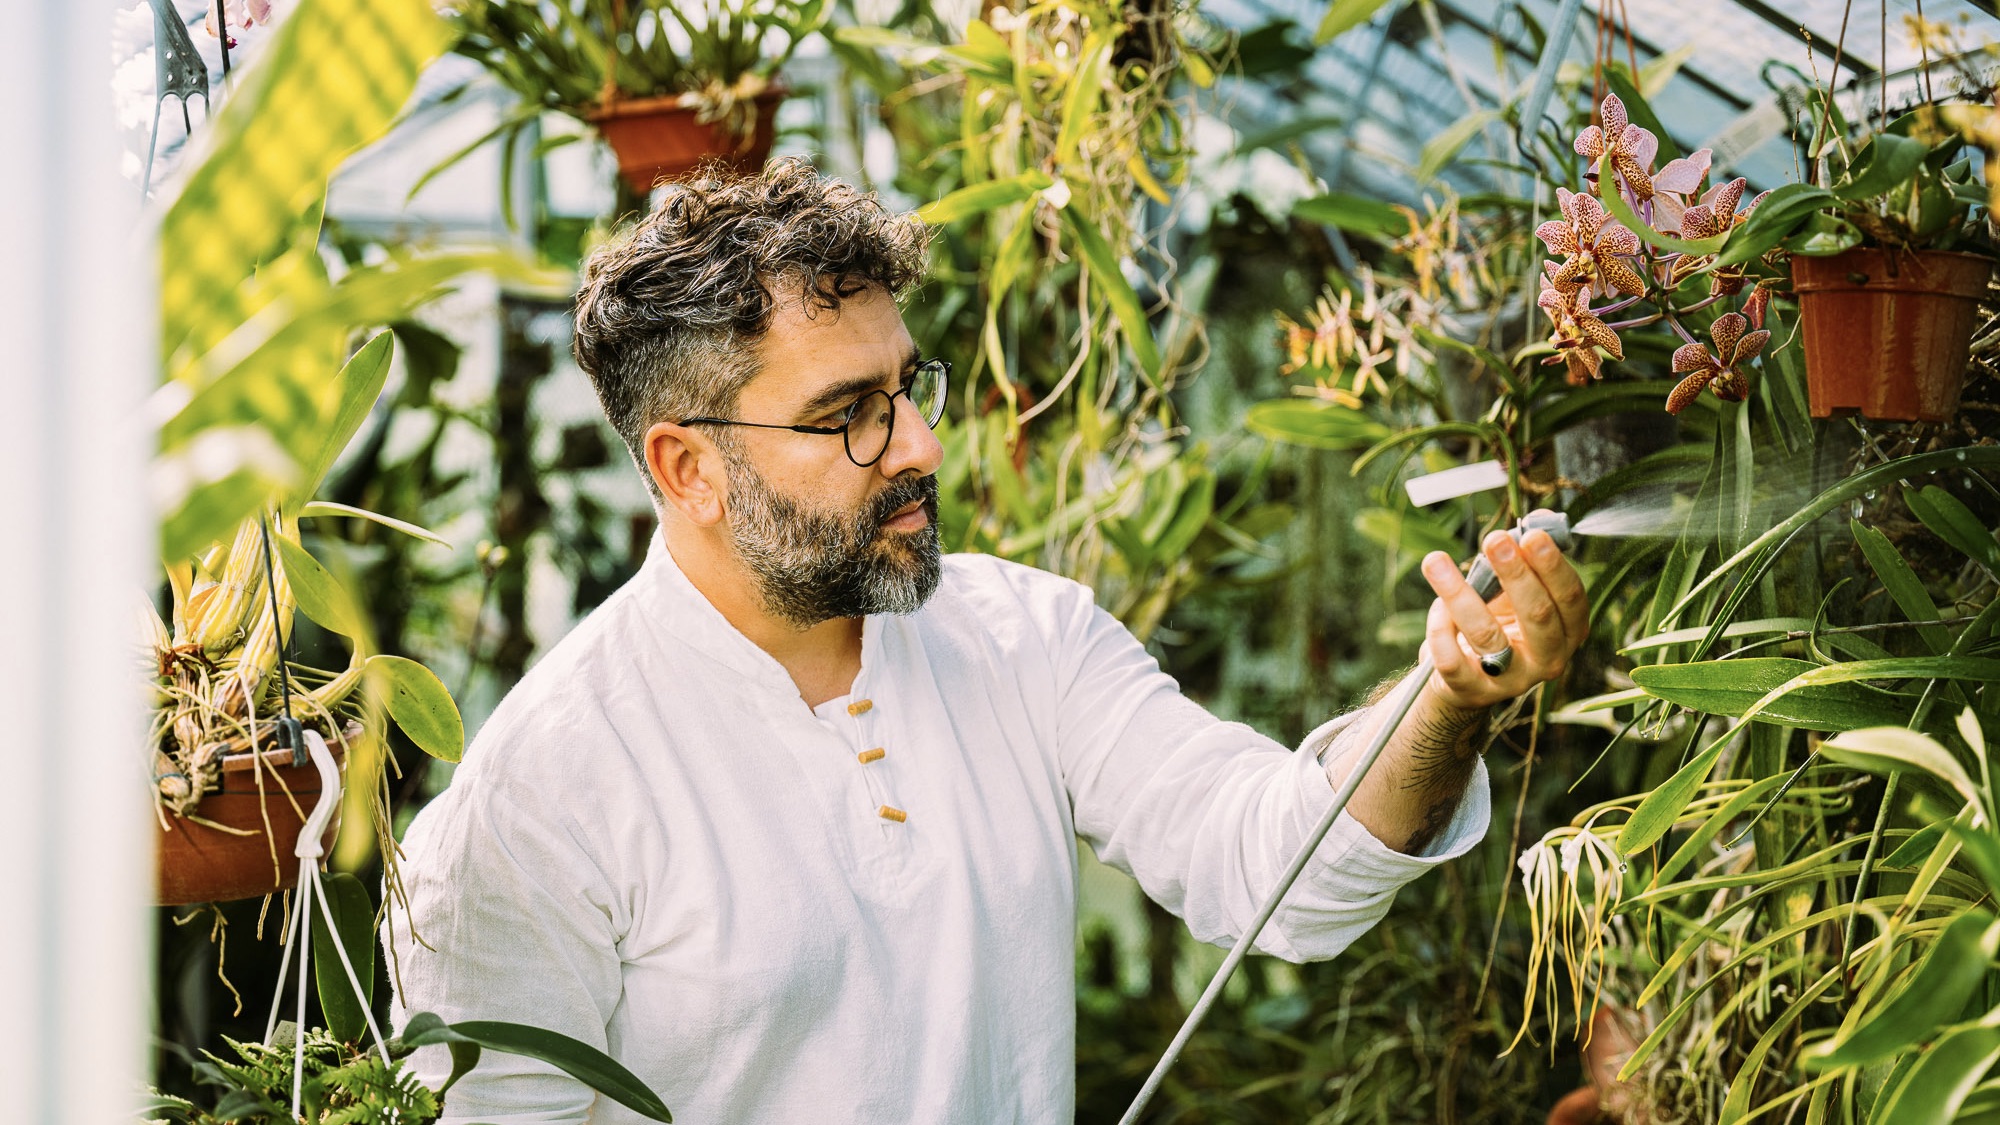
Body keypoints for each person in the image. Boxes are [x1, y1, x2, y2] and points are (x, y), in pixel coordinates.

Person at [388, 158, 1591, 1123]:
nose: (918, 446)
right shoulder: (539, 797)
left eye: (906, 389)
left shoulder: (1026, 639)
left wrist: (1446, 696)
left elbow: (1281, 875)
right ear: (687, 467)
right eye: (846, 417)